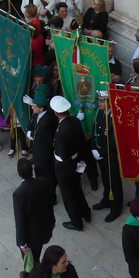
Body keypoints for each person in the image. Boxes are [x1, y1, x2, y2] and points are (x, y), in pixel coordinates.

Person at [52, 95, 91, 231]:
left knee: (69, 196)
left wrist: (72, 166)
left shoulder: (61, 132)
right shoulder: (74, 120)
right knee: (77, 190)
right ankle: (86, 213)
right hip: (75, 160)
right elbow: (81, 142)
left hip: (64, 166)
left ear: (56, 113)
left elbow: (63, 153)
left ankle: (76, 222)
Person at [14, 158, 56, 272]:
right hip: (43, 229)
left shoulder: (19, 193)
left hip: (30, 236)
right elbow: (49, 204)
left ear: (20, 175)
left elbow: (20, 220)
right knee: (37, 254)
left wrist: (22, 243)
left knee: (30, 262)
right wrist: (52, 221)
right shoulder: (43, 182)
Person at [90, 89, 122, 221]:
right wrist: (93, 148)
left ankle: (116, 207)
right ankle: (106, 199)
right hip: (99, 152)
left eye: (102, 101)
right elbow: (95, 130)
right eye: (100, 101)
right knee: (105, 178)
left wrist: (101, 152)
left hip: (110, 154)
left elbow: (115, 139)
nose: (100, 103)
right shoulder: (100, 112)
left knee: (114, 181)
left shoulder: (115, 116)